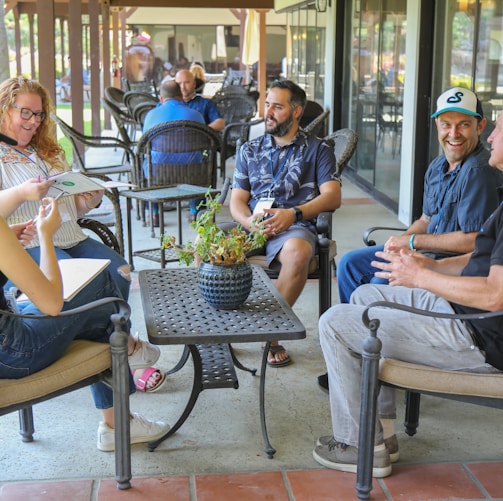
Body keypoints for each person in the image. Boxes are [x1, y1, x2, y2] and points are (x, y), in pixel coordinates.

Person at [313, 108, 503, 478]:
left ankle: (357, 445)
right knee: (369, 295)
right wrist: (428, 266)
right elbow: (477, 259)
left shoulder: (480, 174)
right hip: (465, 310)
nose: (491, 136)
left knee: (335, 322)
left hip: (480, 333)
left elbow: (496, 295)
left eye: (499, 130)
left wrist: (422, 278)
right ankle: (382, 434)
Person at [0, 76, 165, 393]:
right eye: (26, 113)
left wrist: (86, 200)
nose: (34, 121)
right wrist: (23, 193)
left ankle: (118, 359)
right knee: (82, 288)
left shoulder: (45, 151)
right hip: (28, 244)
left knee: (120, 271)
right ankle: (123, 369)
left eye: (39, 115)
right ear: (5, 108)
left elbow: (65, 205)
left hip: (69, 234)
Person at [0, 189, 171, 452]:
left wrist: (8, 240)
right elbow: (53, 303)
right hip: (14, 351)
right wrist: (46, 236)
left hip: (9, 332)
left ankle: (125, 361)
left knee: (100, 308)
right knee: (102, 289)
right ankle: (127, 354)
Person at [229, 80, 341, 366]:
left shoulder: (319, 150)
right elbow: (237, 201)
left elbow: (332, 197)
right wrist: (248, 221)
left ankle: (271, 333)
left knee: (299, 251)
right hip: (252, 225)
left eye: (277, 106)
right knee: (200, 248)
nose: (268, 111)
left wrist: (295, 214)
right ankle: (218, 333)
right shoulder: (249, 149)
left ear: (296, 112)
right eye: (267, 104)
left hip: (294, 225)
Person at [142, 80, 205, 224]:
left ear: (161, 99)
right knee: (201, 161)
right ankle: (195, 212)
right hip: (193, 172)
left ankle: (154, 213)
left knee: (144, 164)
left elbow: (144, 145)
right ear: (181, 96)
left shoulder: (151, 116)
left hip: (157, 172)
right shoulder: (196, 115)